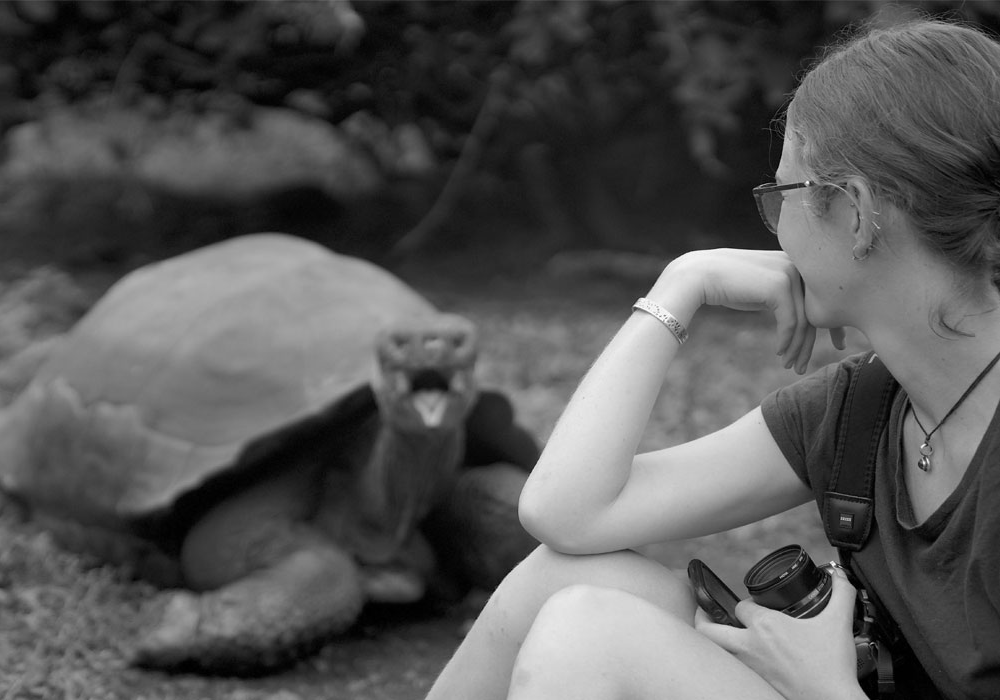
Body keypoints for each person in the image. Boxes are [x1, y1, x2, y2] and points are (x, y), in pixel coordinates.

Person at [424, 17, 1000, 700]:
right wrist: (679, 288)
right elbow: (567, 514)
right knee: (563, 579)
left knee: (592, 635)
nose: (774, 226)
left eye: (781, 194)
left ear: (852, 211)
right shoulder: (868, 409)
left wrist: (823, 687)